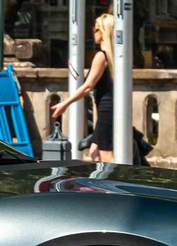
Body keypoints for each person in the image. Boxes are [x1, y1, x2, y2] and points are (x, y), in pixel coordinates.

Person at [51, 13, 149, 165]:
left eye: (96, 29)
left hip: (106, 112)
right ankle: (103, 181)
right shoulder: (116, 57)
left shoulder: (101, 56)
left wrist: (65, 104)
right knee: (94, 151)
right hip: (110, 109)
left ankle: (112, 185)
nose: (93, 32)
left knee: (106, 156)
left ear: (104, 32)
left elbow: (88, 86)